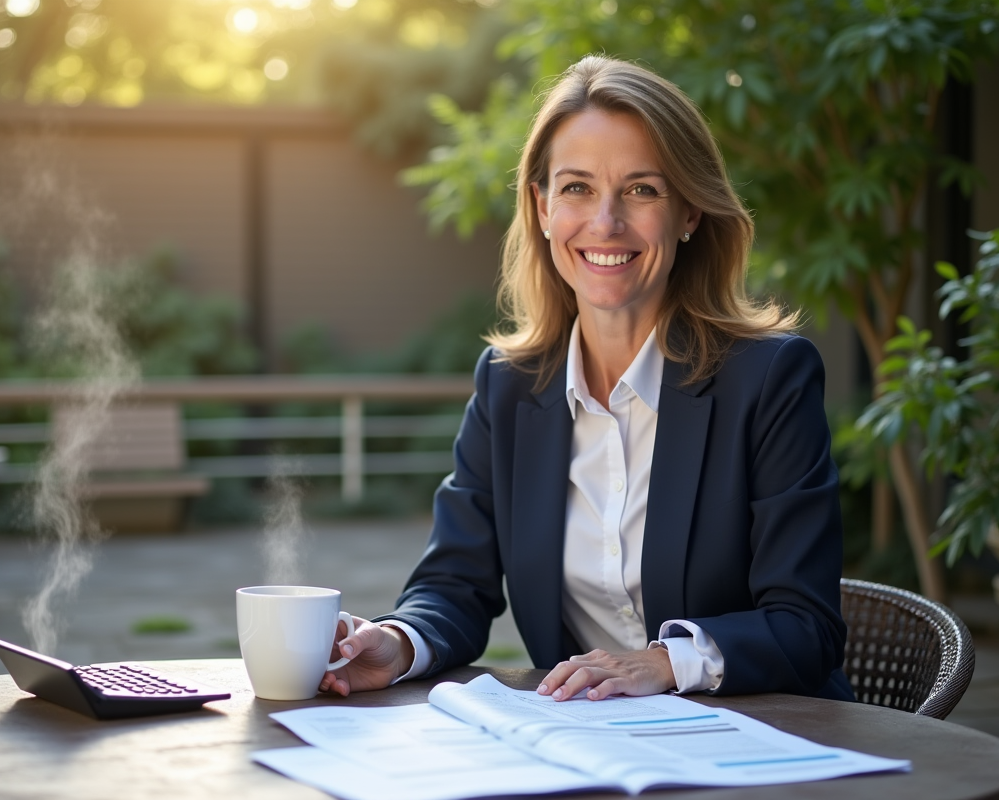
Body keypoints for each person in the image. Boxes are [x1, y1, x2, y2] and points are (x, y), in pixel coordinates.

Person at [320, 55, 854, 702]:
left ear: (689, 212)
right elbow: (455, 586)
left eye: (641, 189)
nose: (606, 223)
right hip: (595, 746)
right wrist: (396, 643)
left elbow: (806, 626)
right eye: (576, 188)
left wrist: (663, 663)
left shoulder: (770, 380)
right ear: (543, 208)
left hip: (768, 745)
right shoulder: (508, 386)